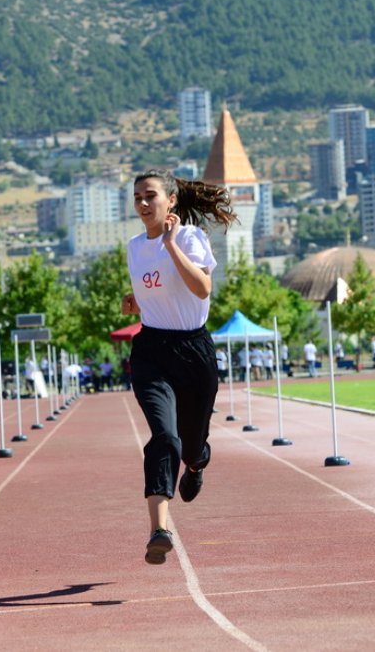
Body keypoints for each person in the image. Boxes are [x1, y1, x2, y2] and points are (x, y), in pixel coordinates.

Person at [121, 168, 235, 566]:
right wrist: (135, 300)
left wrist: (171, 245)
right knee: (164, 436)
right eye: (137, 197)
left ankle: (198, 462)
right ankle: (159, 529)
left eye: (150, 195)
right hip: (152, 350)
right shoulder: (135, 246)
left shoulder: (190, 238)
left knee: (190, 442)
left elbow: (202, 289)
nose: (142, 204)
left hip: (194, 350)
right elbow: (153, 286)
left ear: (171, 200)